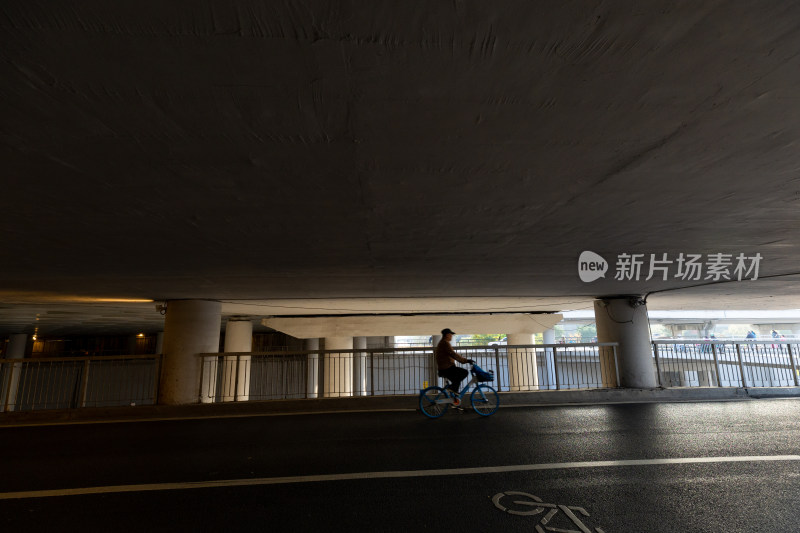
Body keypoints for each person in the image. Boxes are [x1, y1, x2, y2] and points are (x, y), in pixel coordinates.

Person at [436, 328, 473, 406]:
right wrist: (466, 360)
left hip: (445, 368)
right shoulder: (445, 343)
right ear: (447, 335)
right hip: (446, 368)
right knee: (464, 372)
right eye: (450, 335)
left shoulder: (442, 343)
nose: (451, 336)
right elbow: (453, 354)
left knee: (457, 380)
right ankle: (452, 391)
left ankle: (455, 399)